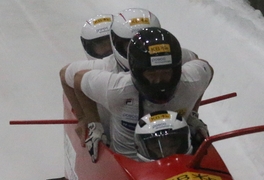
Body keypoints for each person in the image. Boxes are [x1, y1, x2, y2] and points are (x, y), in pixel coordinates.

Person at [72, 27, 213, 161]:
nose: (158, 81)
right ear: (137, 71)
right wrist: (90, 121)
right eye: (151, 73)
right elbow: (75, 78)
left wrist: (193, 115)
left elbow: (207, 69)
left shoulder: (192, 79)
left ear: (176, 71)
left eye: (166, 72)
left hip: (178, 156)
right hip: (129, 162)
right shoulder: (116, 89)